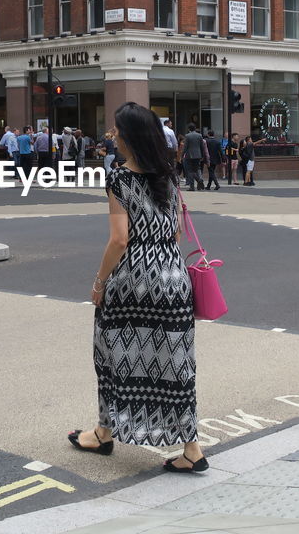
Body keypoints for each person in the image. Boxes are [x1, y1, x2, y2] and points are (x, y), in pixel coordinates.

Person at [69, 101, 206, 473]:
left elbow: (119, 239)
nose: (111, 137)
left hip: (133, 280)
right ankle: (192, 449)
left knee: (112, 353)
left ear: (128, 138)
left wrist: (99, 282)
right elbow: (176, 233)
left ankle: (103, 433)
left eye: (115, 131)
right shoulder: (169, 175)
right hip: (173, 278)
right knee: (177, 363)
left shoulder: (118, 179)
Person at [182, 123, 207, 191]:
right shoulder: (199, 135)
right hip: (198, 155)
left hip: (189, 155)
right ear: (195, 128)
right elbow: (202, 146)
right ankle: (199, 180)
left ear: (188, 129)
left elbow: (185, 147)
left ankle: (192, 186)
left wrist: (182, 154)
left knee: (190, 171)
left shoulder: (187, 136)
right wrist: (202, 155)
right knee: (196, 169)